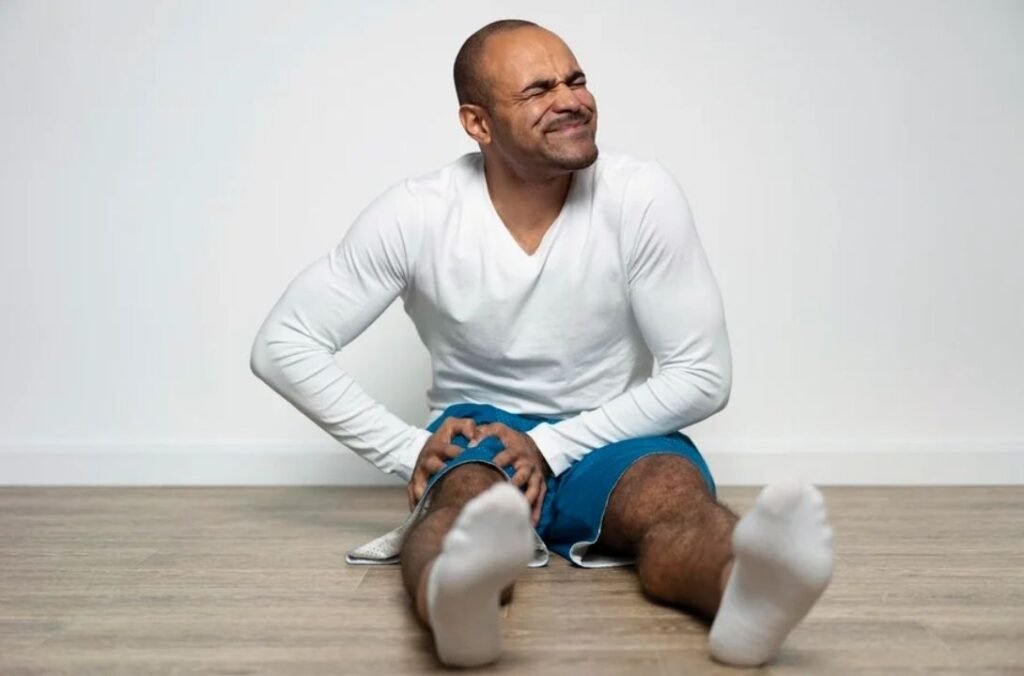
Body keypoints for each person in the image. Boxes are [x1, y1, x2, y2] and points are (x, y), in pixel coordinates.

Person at [249, 18, 834, 669]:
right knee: (462, 502)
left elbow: (702, 374)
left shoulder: (639, 195)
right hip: (481, 433)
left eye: (575, 81)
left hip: (613, 433)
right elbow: (284, 343)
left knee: (675, 498)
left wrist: (553, 446)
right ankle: (457, 607)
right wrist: (405, 448)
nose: (571, 100)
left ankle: (745, 595)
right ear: (478, 123)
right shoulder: (418, 213)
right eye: (538, 90)